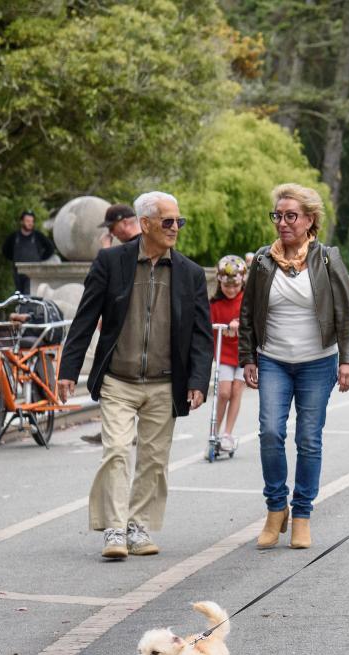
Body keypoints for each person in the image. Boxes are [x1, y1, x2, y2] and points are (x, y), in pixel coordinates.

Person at [58, 191, 213, 560]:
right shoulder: (112, 263)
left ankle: (138, 525)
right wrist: (68, 369)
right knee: (115, 451)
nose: (176, 228)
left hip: (165, 382)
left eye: (179, 221)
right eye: (168, 221)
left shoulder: (190, 274)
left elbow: (202, 335)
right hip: (118, 380)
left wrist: (197, 381)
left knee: (154, 460)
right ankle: (114, 528)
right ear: (145, 224)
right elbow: (84, 319)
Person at [239, 184, 349, 550]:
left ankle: (302, 513)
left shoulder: (326, 259)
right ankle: (277, 509)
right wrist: (248, 357)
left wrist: (348, 360)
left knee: (308, 439)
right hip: (273, 359)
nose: (283, 223)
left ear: (310, 220)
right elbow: (247, 313)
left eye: (291, 216)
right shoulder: (262, 261)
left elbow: (344, 312)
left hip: (317, 363)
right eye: (278, 216)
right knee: (271, 433)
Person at [82, 205, 144, 446]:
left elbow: (115, 281)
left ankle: (122, 428)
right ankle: (116, 426)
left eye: (112, 227)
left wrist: (105, 250)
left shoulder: (138, 249)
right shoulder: (129, 249)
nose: (112, 232)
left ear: (126, 222)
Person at [210, 255, 248, 452]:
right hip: (224, 354)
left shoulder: (247, 302)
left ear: (241, 282)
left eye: (235, 285)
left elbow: (255, 322)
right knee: (224, 391)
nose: (231, 290)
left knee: (236, 391)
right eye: (227, 286)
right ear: (220, 282)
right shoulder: (214, 305)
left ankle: (228, 433)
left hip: (243, 354)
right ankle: (214, 432)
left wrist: (240, 324)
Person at [2, 210, 56, 295]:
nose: (30, 223)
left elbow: (50, 248)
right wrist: (15, 260)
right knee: (19, 296)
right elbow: (5, 250)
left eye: (32, 221)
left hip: (33, 273)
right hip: (18, 273)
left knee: (30, 295)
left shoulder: (38, 236)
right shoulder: (14, 237)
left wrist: (40, 258)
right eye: (27, 221)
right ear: (22, 222)